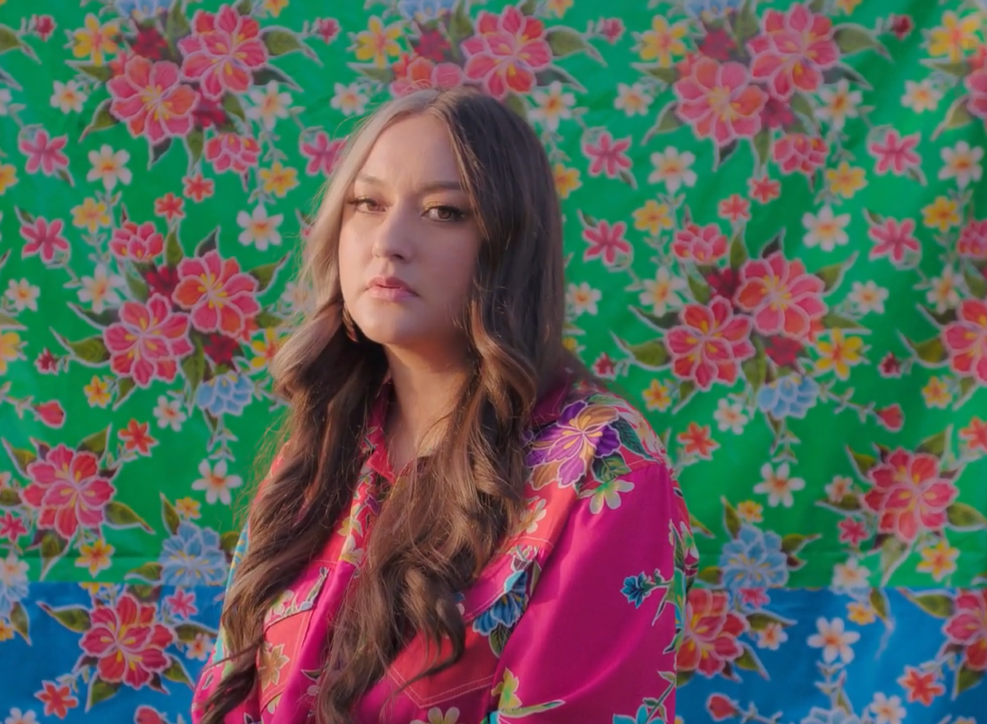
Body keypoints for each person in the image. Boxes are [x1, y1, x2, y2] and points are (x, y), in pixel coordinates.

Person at [192, 86, 698, 724]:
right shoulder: (320, 448)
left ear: (510, 246)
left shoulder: (600, 466)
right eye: (367, 204)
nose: (390, 241)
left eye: (443, 212)